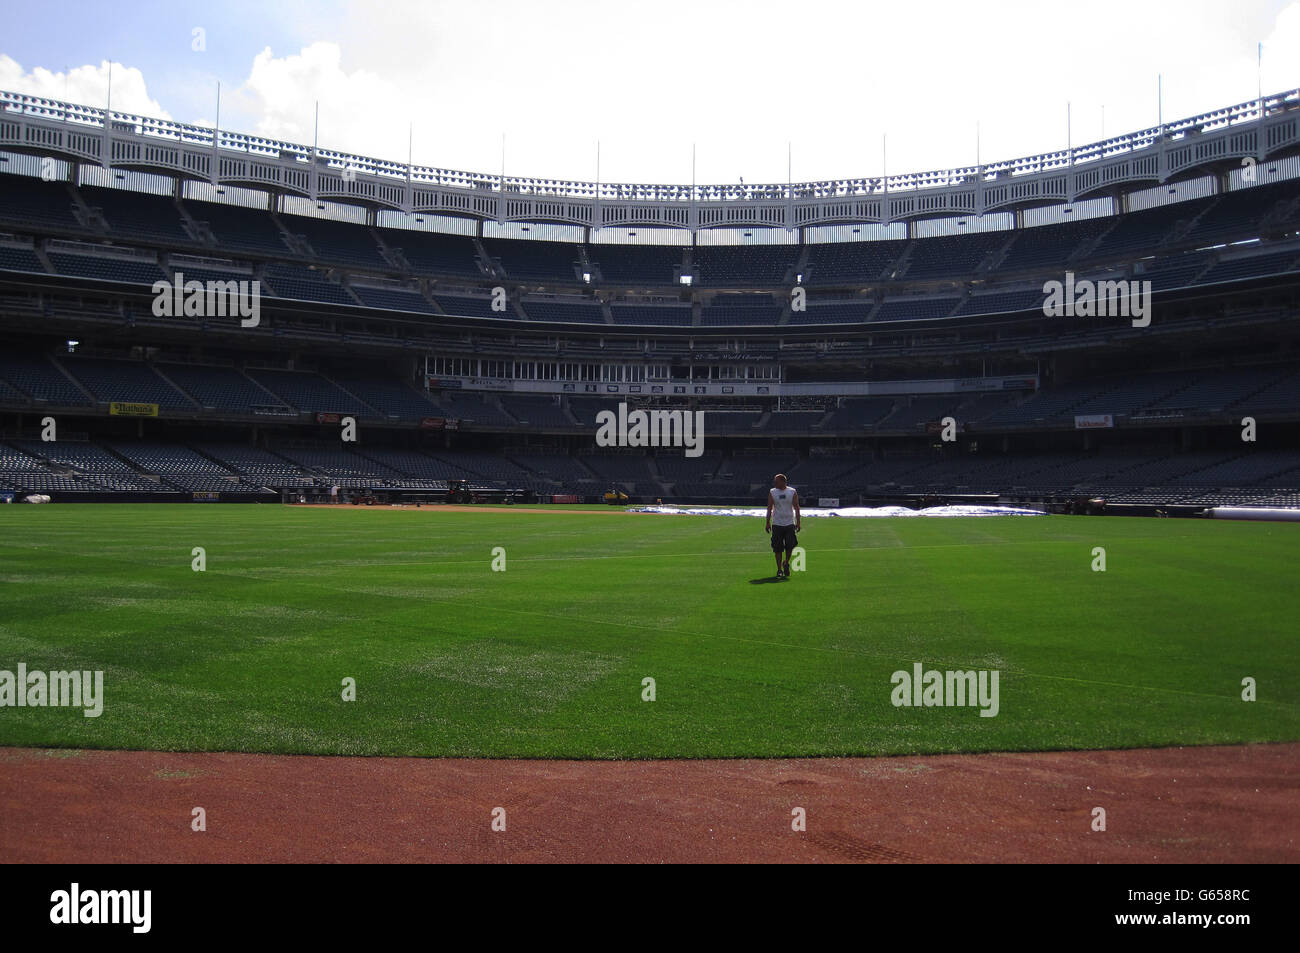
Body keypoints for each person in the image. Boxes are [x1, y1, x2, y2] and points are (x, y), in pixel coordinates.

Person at [765, 473, 801, 579]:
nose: (774, 483)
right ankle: (779, 569)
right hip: (777, 523)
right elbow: (769, 507)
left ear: (783, 481)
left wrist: (798, 522)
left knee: (790, 545)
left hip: (789, 523)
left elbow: (796, 507)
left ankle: (786, 562)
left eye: (776, 481)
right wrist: (767, 522)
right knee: (777, 548)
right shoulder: (772, 492)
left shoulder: (792, 492)